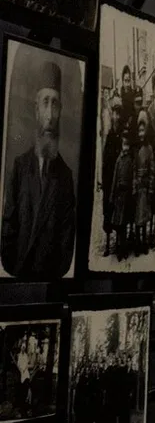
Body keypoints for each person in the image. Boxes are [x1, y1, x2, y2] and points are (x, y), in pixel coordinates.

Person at [1, 61, 77, 280]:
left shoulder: (65, 178)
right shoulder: (19, 167)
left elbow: (65, 244)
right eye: (45, 103)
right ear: (36, 110)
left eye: (55, 105)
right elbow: (8, 228)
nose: (50, 115)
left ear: (60, 111)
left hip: (49, 284)